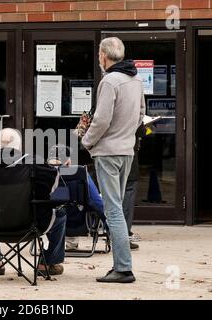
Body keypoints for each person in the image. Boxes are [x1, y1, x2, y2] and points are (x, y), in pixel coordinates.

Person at [82, 37, 145, 283]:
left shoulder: (109, 81)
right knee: (116, 207)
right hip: (127, 151)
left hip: (107, 152)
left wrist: (87, 141)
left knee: (113, 210)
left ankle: (123, 268)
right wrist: (127, 134)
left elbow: (102, 119)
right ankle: (122, 265)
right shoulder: (136, 79)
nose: (99, 58)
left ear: (104, 56)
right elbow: (141, 113)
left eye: (99, 54)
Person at [0, 128, 66, 276]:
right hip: (29, 225)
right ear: (19, 146)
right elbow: (52, 188)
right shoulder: (34, 163)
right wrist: (53, 166)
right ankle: (46, 263)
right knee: (60, 212)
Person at [46, 144, 104, 251]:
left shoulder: (43, 174)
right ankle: (71, 241)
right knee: (97, 200)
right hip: (79, 223)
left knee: (58, 206)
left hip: (49, 223)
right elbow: (96, 202)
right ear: (68, 160)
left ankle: (64, 242)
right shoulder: (80, 173)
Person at [123, 123, 147, 251]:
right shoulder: (133, 108)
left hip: (106, 155)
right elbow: (142, 131)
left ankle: (110, 231)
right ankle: (123, 236)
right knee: (128, 193)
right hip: (127, 154)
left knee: (110, 195)